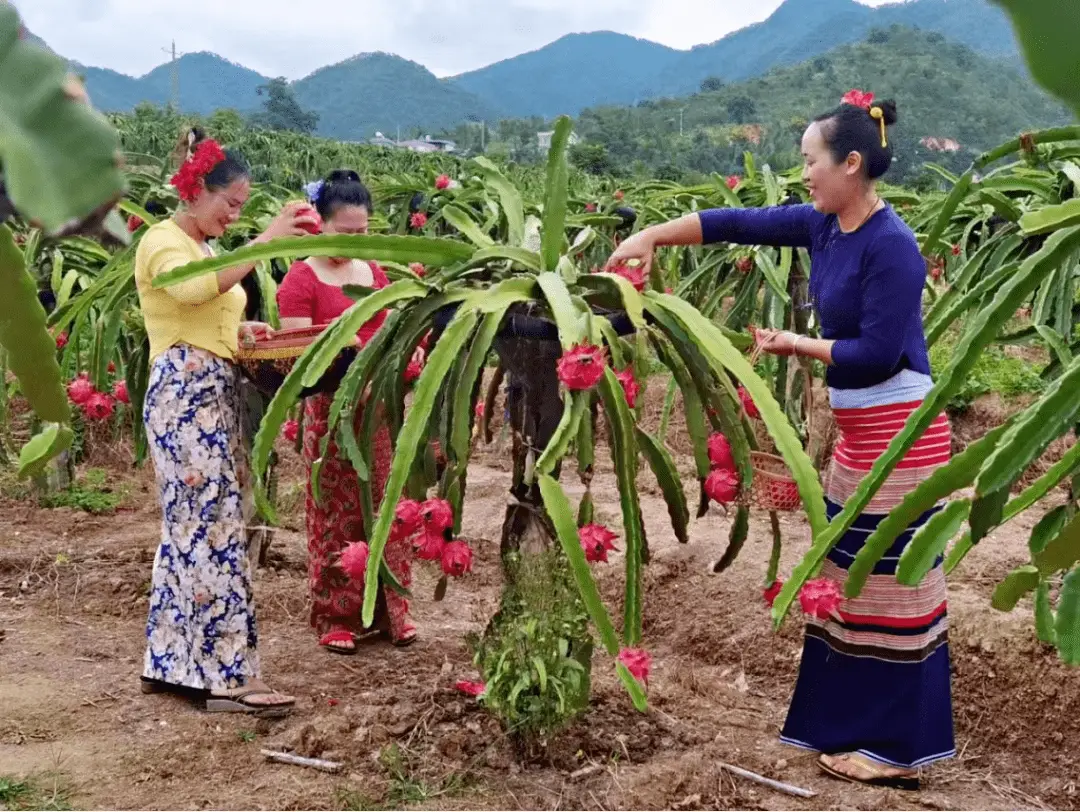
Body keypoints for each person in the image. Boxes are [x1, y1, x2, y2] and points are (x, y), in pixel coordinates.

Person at [605, 92, 952, 790]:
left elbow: (880, 353)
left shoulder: (893, 247)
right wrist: (651, 238)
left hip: (904, 434)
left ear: (851, 164)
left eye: (810, 161)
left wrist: (794, 342)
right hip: (859, 433)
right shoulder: (824, 226)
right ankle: (852, 728)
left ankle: (895, 750)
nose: (803, 175)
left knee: (892, 587)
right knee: (846, 578)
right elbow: (738, 221)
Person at [135, 128, 318, 716]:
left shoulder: (208, 249)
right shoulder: (164, 242)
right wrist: (264, 241)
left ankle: (170, 663)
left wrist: (242, 332)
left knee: (189, 528)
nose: (233, 215)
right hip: (184, 395)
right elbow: (184, 292)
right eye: (230, 204)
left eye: (242, 207)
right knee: (212, 530)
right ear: (195, 190)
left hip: (206, 390)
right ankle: (228, 678)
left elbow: (201, 313)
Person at [276, 170, 417, 653]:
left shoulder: (372, 273)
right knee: (335, 514)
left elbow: (390, 329)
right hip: (331, 413)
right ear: (320, 223)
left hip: (379, 409)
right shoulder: (299, 280)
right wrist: (346, 344)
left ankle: (391, 611)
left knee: (386, 506)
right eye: (347, 232)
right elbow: (297, 355)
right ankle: (336, 615)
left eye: (363, 232)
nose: (357, 241)